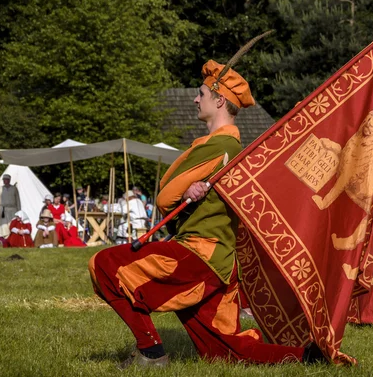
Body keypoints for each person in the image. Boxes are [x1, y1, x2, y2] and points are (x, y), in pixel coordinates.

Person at [89, 59, 321, 369]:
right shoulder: (228, 148)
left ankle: (151, 352)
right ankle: (310, 357)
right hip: (221, 265)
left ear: (219, 99)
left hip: (200, 255)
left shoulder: (220, 146)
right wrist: (186, 192)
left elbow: (164, 197)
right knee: (224, 352)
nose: (196, 99)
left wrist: (182, 193)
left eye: (201, 94)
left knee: (104, 265)